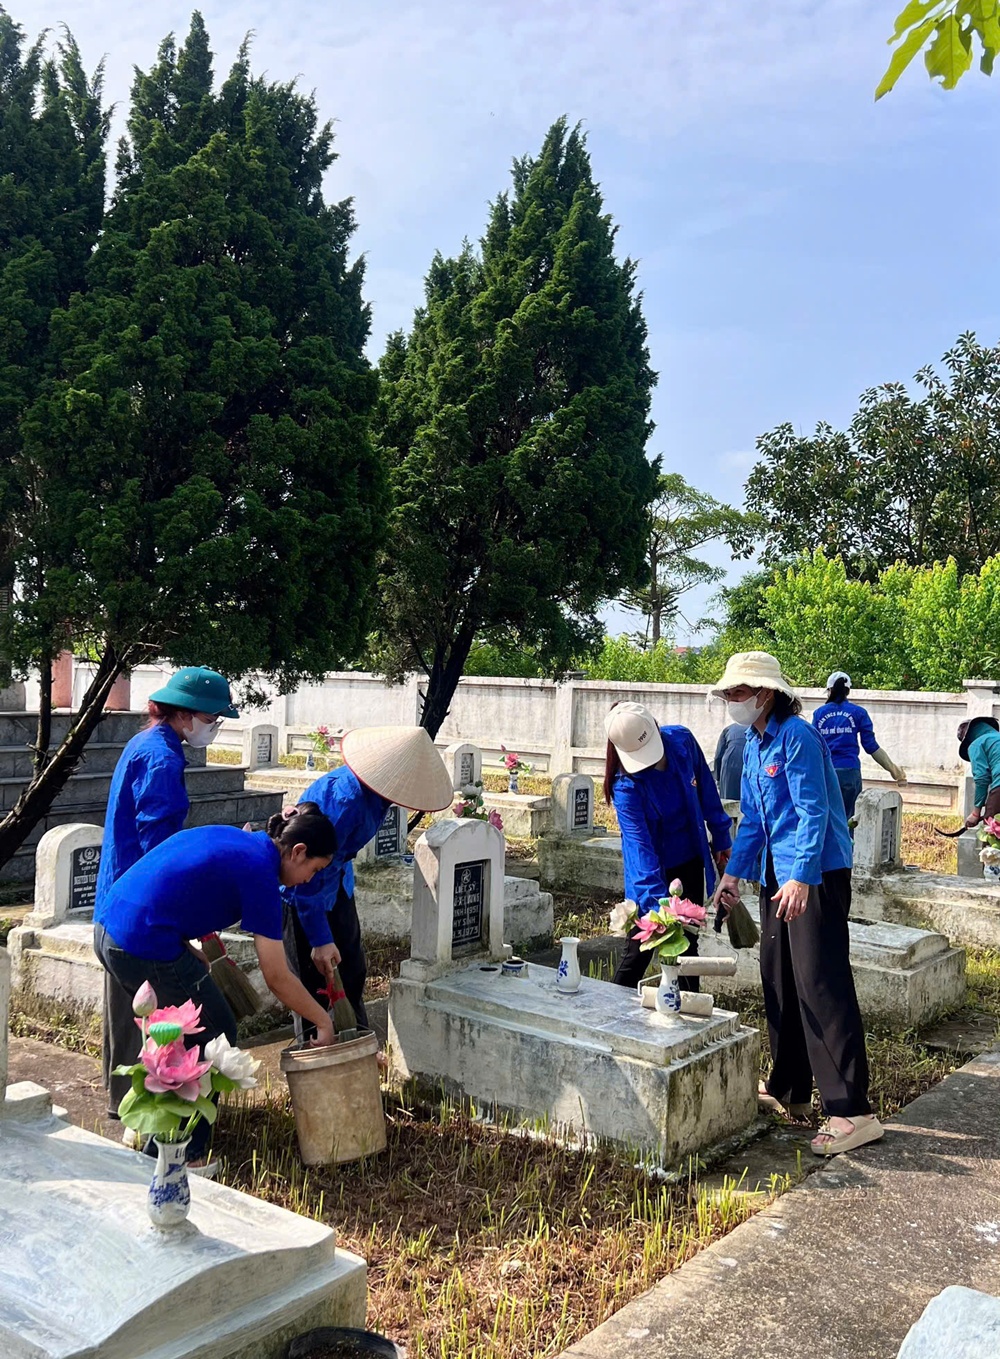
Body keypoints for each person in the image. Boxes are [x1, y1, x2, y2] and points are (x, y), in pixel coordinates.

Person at [94, 806, 337, 1166]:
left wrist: (184, 944)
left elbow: (175, 883)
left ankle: (152, 1134)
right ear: (298, 851)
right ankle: (180, 1156)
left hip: (110, 928)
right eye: (313, 870)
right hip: (140, 942)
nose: (307, 880)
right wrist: (322, 1020)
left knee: (174, 1036)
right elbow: (276, 976)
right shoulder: (261, 873)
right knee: (213, 1034)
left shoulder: (243, 841)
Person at [711, 651, 883, 1157]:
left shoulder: (799, 737)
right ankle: (790, 1087)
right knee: (780, 978)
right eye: (728, 693)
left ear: (766, 694)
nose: (731, 700)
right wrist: (731, 876)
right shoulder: (753, 741)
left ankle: (852, 1110)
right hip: (776, 876)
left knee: (820, 983)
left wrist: (802, 877)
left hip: (816, 875)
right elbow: (754, 821)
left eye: (739, 692)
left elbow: (814, 811)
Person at [96, 666, 239, 1125]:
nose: (213, 727)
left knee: (129, 1013)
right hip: (142, 909)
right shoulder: (162, 760)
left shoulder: (147, 743)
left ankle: (124, 1109)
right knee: (161, 1021)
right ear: (185, 713)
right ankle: (160, 1122)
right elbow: (159, 851)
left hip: (117, 901)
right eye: (211, 719)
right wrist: (182, 928)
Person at [283, 725, 454, 1036]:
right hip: (305, 894)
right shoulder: (344, 803)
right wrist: (319, 939)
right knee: (312, 983)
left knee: (350, 970)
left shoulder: (376, 796)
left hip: (337, 885)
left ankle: (356, 1040)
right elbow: (307, 874)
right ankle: (314, 1050)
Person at [603, 701, 733, 994]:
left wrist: (721, 836)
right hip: (651, 872)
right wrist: (661, 912)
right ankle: (611, 1007)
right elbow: (640, 850)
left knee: (688, 942)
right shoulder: (625, 786)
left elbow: (707, 790)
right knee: (641, 946)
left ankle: (688, 1008)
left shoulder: (681, 742)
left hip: (689, 857)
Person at [812, 671, 906, 820]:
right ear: (848, 691)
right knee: (850, 820)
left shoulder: (819, 714)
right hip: (849, 773)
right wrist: (895, 771)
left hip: (825, 773)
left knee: (827, 819)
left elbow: (813, 747)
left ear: (829, 690)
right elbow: (871, 747)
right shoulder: (858, 713)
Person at [958, 717, 1000, 826]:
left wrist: (976, 813)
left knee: (992, 827)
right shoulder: (996, 739)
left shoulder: (976, 744)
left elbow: (982, 778)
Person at [713, 722, 748, 803]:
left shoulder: (729, 729)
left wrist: (718, 778)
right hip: (750, 762)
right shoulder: (758, 728)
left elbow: (718, 756)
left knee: (728, 802)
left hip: (730, 764)